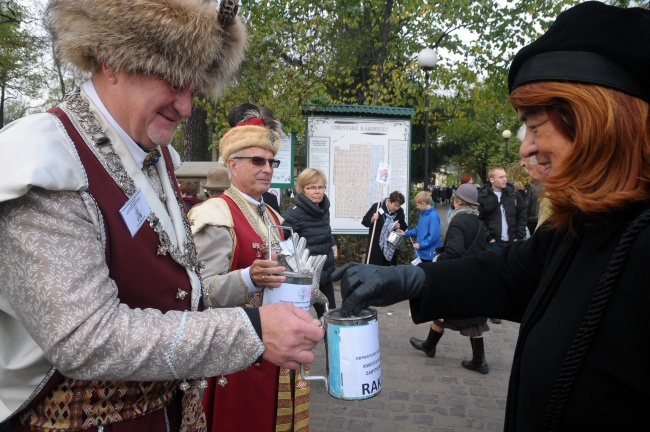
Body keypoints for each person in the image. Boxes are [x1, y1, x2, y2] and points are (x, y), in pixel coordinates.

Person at [0, 1, 325, 430]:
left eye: (195, 87)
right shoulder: (44, 158)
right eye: (173, 80)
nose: (187, 106)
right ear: (113, 60)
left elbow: (179, 288)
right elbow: (85, 339)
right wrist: (251, 330)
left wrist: (280, 301)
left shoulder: (156, 156)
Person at [332, 2, 650, 430]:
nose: (524, 149)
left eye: (536, 126)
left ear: (597, 121)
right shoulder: (586, 224)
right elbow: (509, 274)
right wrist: (416, 279)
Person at [188, 104, 314, 432]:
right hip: (237, 358)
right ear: (232, 164)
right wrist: (249, 277)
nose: (268, 168)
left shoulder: (275, 218)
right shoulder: (216, 212)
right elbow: (199, 292)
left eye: (272, 161)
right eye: (257, 161)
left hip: (276, 352)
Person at [409, 184, 490, 373]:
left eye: (455, 198)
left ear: (459, 202)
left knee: (452, 310)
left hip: (460, 277)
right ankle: (431, 345)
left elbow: (455, 251)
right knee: (465, 315)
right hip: (475, 275)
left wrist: (439, 262)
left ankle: (477, 360)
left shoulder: (458, 221)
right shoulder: (478, 222)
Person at [282, 168, 338, 318]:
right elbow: (281, 241)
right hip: (304, 278)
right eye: (312, 187)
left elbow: (325, 230)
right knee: (298, 321)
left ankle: (331, 342)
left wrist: (333, 243)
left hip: (325, 274)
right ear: (302, 189)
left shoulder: (324, 207)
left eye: (321, 187)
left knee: (330, 317)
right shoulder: (294, 213)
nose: (317, 191)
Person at [478, 166, 527, 323]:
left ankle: (506, 307)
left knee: (509, 275)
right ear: (492, 180)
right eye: (501, 177)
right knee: (493, 275)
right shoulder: (484, 196)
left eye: (505, 176)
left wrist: (518, 235)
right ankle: (492, 310)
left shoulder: (513, 193)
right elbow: (479, 218)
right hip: (494, 242)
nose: (505, 179)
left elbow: (522, 213)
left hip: (511, 241)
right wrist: (488, 236)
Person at [361, 190, 406, 266]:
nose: (396, 208)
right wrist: (372, 218)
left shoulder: (400, 211)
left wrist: (399, 226)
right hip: (376, 246)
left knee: (389, 271)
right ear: (389, 201)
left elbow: (403, 225)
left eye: (399, 206)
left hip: (391, 247)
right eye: (395, 205)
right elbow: (365, 221)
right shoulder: (377, 206)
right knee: (375, 269)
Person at [404, 191, 442, 263]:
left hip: (429, 254)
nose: (417, 207)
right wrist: (406, 234)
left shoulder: (433, 217)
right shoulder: (423, 215)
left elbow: (433, 237)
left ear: (423, 204)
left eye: (418, 205)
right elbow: (419, 231)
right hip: (422, 252)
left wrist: (420, 245)